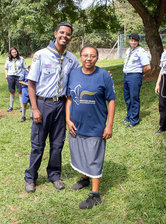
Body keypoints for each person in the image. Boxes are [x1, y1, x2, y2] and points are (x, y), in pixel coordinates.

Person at [24, 22, 79, 193]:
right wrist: (34, 109)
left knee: (57, 143)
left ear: (71, 37)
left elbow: (82, 74)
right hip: (43, 103)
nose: (64, 36)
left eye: (68, 34)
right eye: (61, 32)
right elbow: (31, 83)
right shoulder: (41, 55)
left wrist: (101, 74)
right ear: (55, 33)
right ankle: (31, 177)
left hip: (61, 105)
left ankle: (54, 175)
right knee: (38, 144)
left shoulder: (72, 59)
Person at [66, 45, 116, 209]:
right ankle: (84, 178)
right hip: (76, 125)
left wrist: (109, 125)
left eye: (92, 56)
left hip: (96, 126)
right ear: (80, 57)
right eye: (85, 55)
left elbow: (111, 100)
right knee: (80, 153)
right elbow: (69, 99)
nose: (89, 58)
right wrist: (68, 119)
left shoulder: (103, 76)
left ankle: (95, 195)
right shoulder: (73, 73)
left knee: (94, 157)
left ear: (97, 58)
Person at [122, 33, 151, 128]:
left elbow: (147, 67)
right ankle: (129, 116)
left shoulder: (141, 51)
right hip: (127, 76)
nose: (133, 42)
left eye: (135, 40)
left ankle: (134, 120)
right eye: (131, 40)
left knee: (134, 98)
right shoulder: (128, 50)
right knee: (127, 98)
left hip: (134, 76)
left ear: (138, 41)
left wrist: (138, 74)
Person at [4, 47, 26, 112]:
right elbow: (6, 68)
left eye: (15, 52)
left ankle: (22, 106)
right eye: (13, 52)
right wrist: (6, 76)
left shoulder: (21, 59)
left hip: (19, 76)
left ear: (17, 52)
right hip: (10, 76)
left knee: (20, 91)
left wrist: (24, 76)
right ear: (10, 53)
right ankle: (11, 106)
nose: (14, 53)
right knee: (12, 91)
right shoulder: (8, 59)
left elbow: (24, 68)